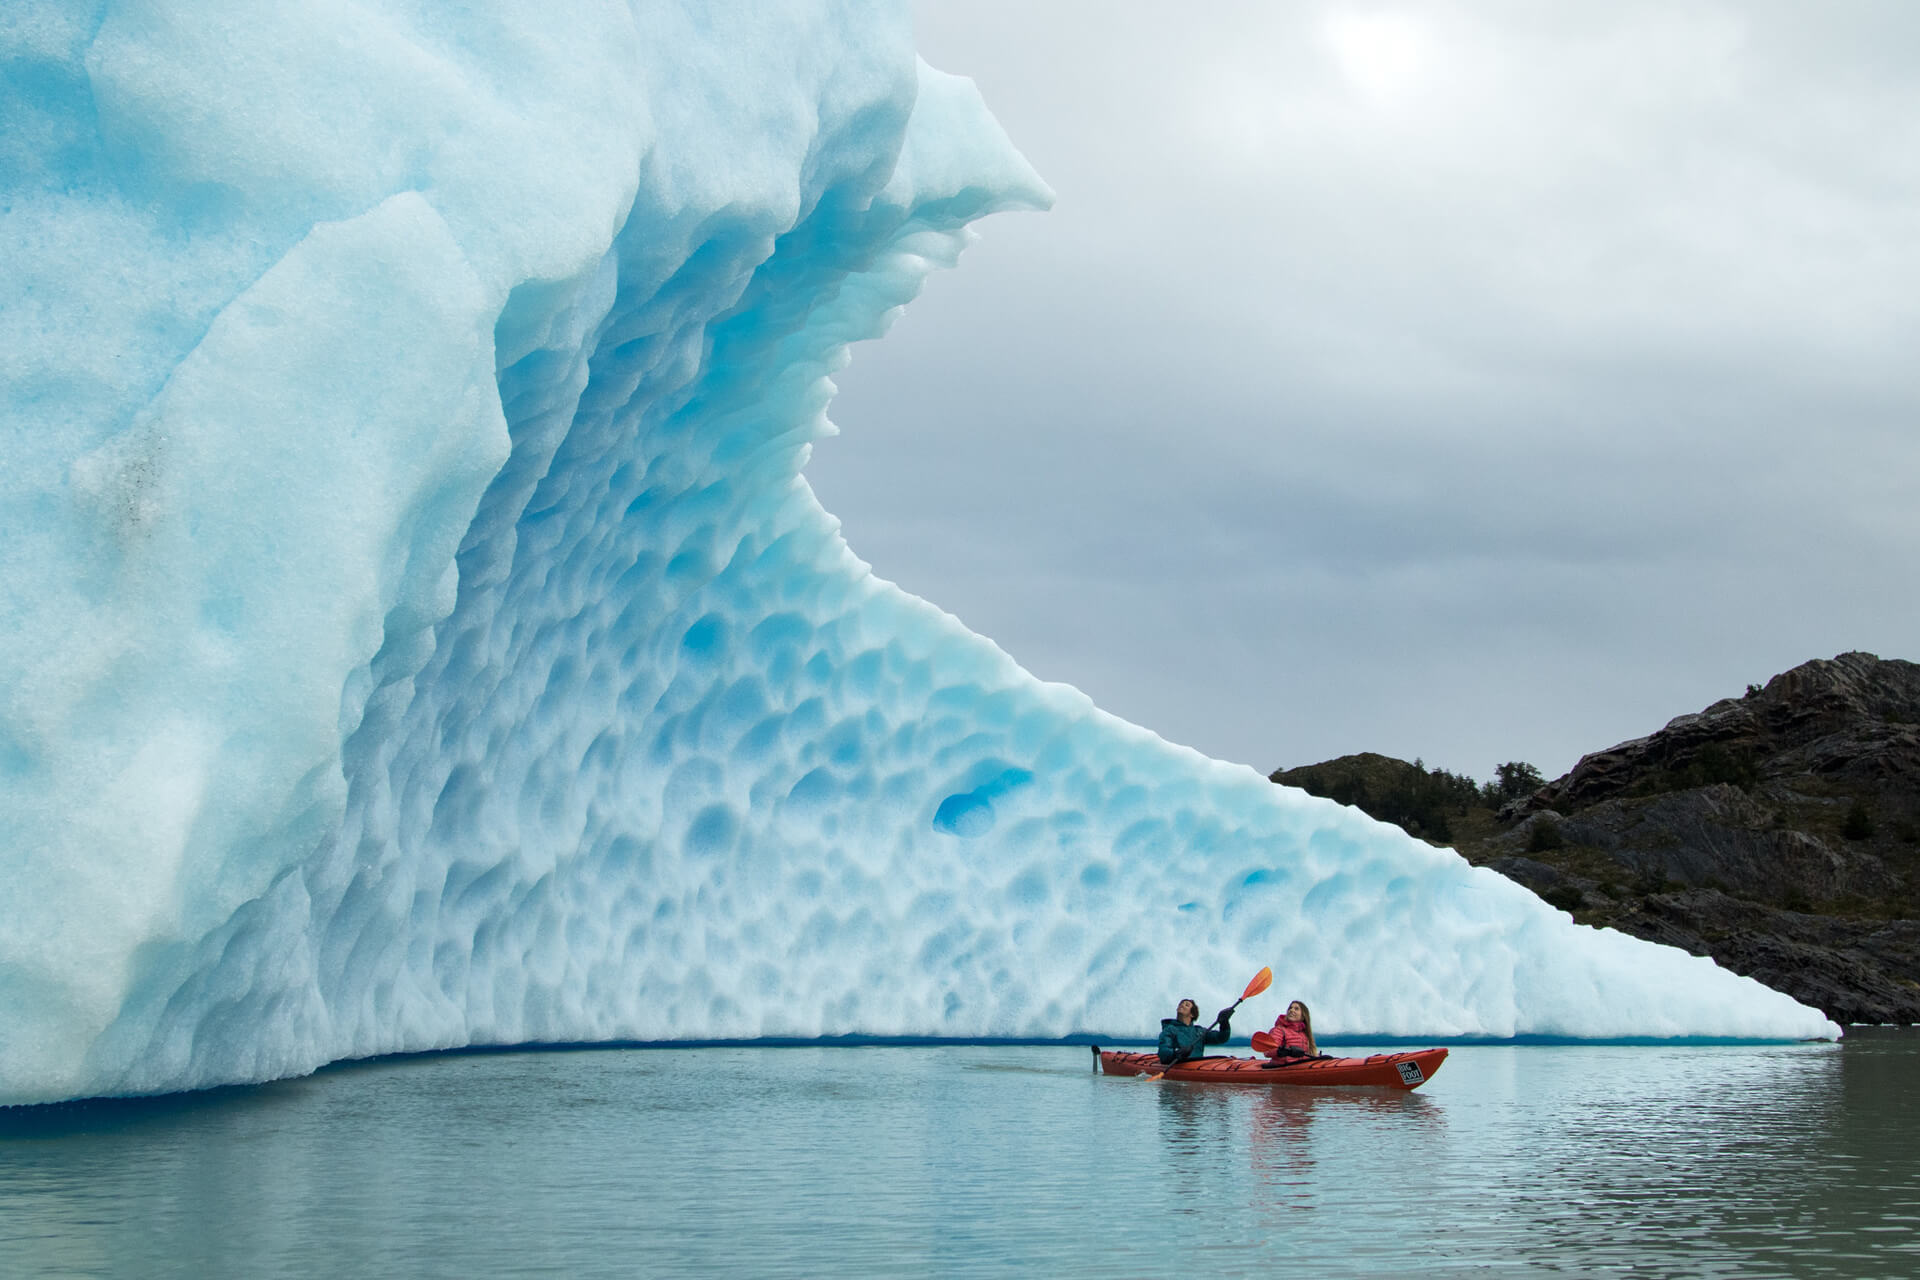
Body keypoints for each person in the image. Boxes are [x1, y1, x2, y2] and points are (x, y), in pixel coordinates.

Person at [1157, 997, 1234, 1066]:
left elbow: (1221, 1038)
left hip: (1198, 1065)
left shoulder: (1199, 1031)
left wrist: (1224, 1023)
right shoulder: (1169, 1029)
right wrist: (1177, 1053)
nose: (1182, 1005)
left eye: (1186, 1005)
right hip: (1178, 1064)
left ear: (1192, 1014)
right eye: (1180, 1004)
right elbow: (1163, 1051)